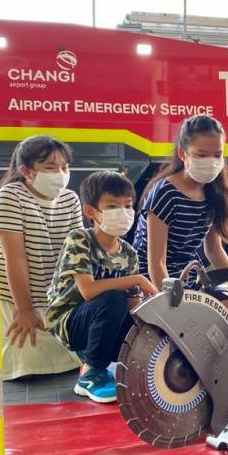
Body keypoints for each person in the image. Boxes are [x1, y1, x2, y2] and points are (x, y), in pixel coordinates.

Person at [46, 171, 159, 403]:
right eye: (112, 206)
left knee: (143, 323)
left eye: (128, 205)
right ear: (90, 211)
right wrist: (137, 280)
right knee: (112, 298)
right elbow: (88, 290)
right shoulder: (79, 239)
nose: (123, 213)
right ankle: (91, 373)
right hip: (70, 321)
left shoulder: (128, 253)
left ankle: (123, 364)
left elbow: (132, 305)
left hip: (103, 320)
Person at [0, 135, 83, 380]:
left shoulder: (70, 199)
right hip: (17, 296)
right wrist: (25, 310)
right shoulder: (11, 196)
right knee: (26, 368)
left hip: (57, 297)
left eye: (64, 167)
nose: (60, 173)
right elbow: (15, 257)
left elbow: (75, 254)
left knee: (70, 364)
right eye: (50, 167)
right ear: (26, 171)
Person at [133, 115, 228, 293]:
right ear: (183, 154)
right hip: (153, 282)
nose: (211, 161)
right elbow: (156, 263)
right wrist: (172, 302)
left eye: (217, 155)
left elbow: (214, 250)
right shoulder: (165, 193)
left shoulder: (213, 192)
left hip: (187, 278)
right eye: (201, 155)